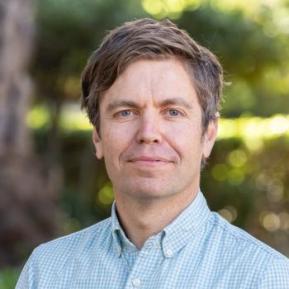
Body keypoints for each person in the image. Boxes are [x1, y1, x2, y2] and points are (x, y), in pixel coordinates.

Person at [16, 18, 289, 289]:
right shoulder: (47, 271)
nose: (148, 132)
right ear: (97, 136)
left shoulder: (266, 277)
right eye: (126, 112)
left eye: (172, 112)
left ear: (208, 134)